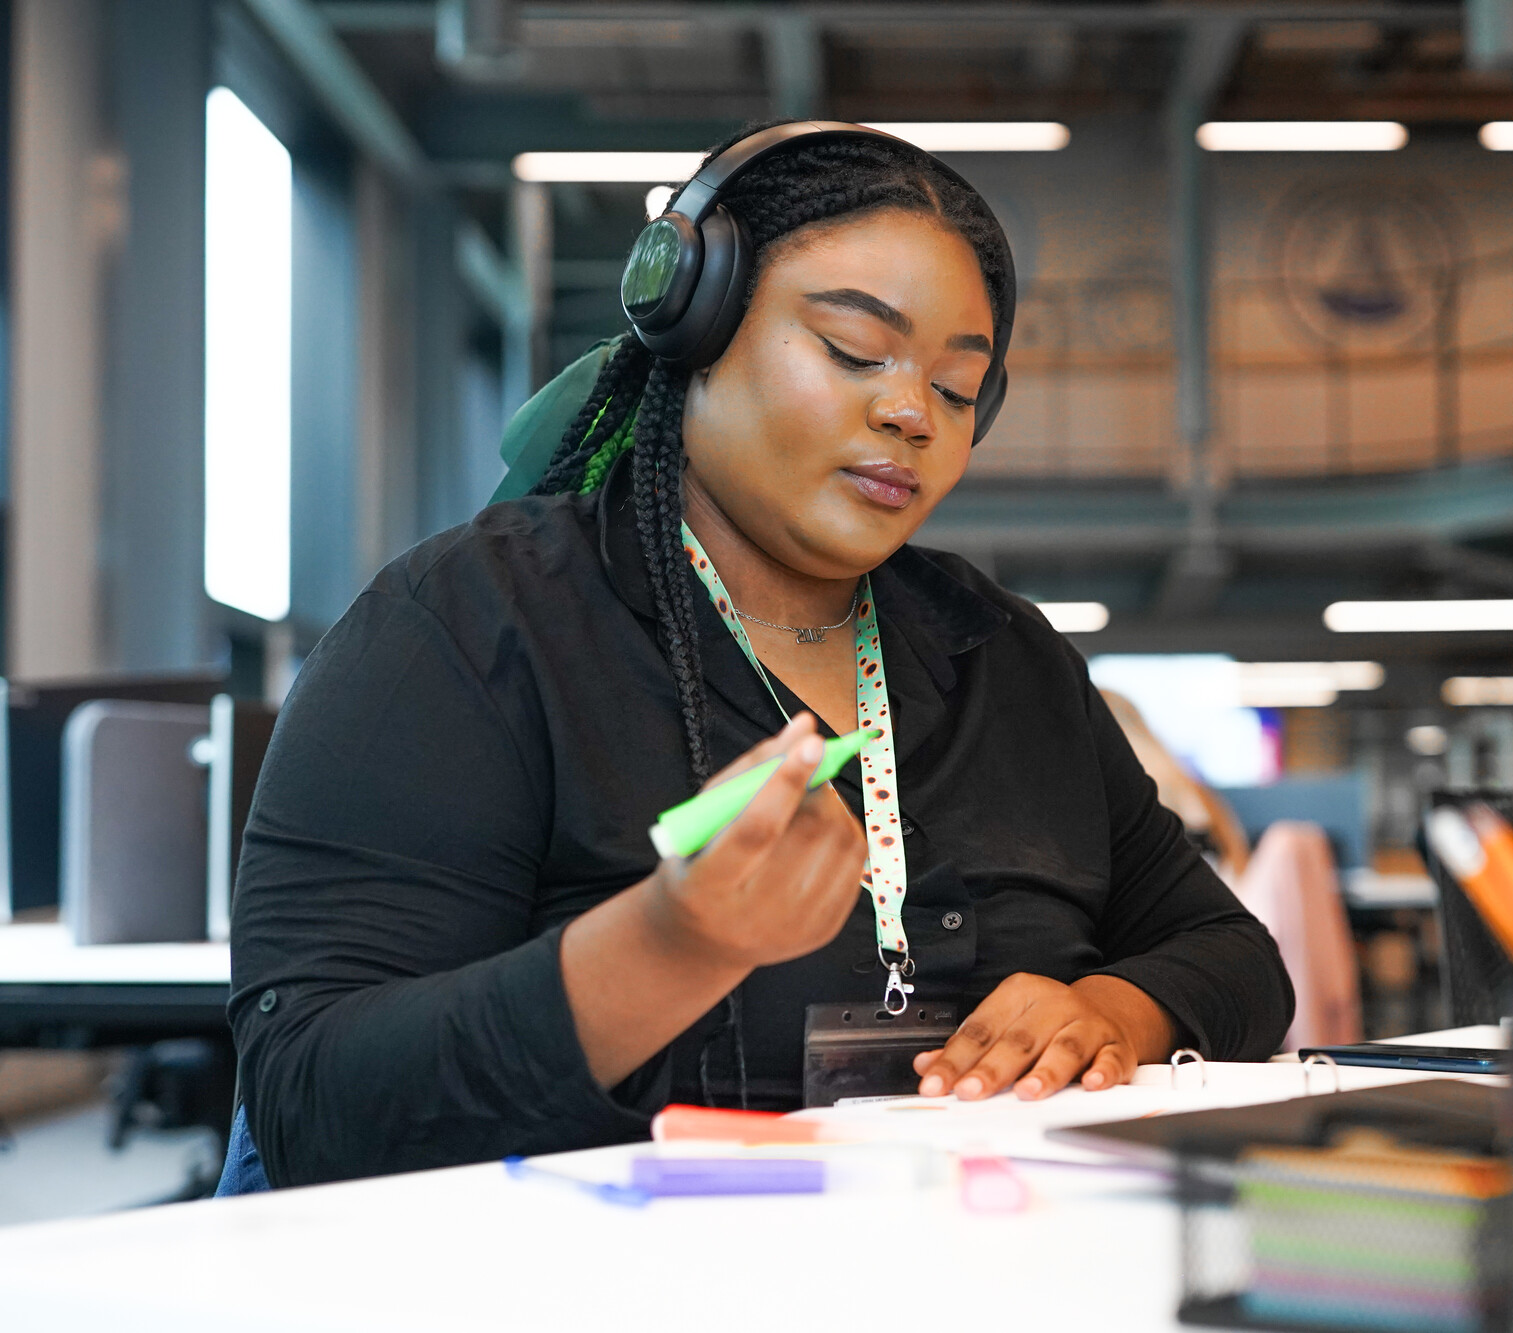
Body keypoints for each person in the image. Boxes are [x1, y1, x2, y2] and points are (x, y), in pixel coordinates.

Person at [225, 121, 1293, 1189]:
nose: (909, 410)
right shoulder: (464, 628)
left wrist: (1110, 1010)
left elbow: (1233, 955)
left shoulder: (1003, 658)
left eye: (959, 389)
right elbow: (314, 1099)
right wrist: (667, 943)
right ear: (695, 324)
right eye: (850, 350)